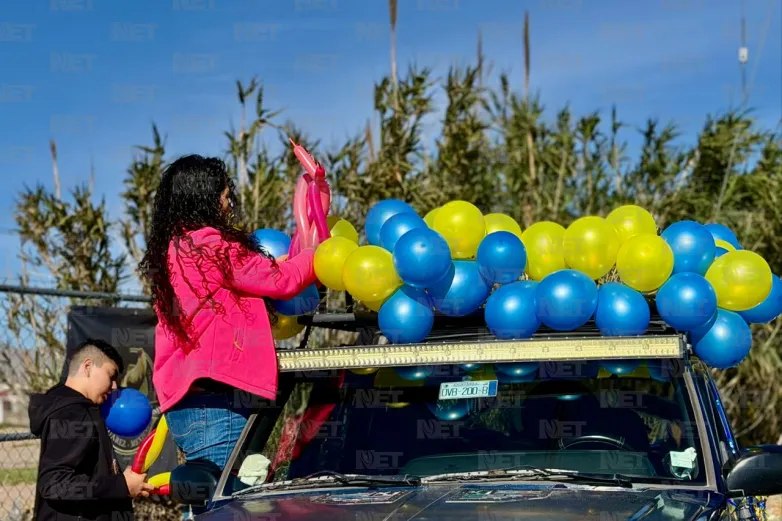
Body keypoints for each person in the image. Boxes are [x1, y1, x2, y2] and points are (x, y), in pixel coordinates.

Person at [139, 155, 317, 512]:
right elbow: (279, 282)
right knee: (225, 506)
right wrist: (317, 254)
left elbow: (245, 280)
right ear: (205, 196)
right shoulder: (211, 244)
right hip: (215, 401)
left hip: (188, 400)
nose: (227, 201)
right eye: (224, 193)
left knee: (207, 499)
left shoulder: (175, 249)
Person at [29, 339, 154, 521]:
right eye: (111, 376)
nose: (114, 387)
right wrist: (121, 485)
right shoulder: (72, 413)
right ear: (87, 366)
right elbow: (55, 483)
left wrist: (119, 481)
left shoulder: (81, 409)